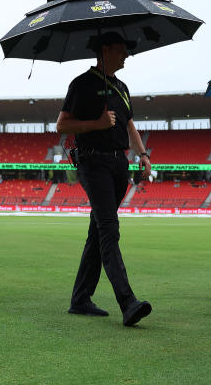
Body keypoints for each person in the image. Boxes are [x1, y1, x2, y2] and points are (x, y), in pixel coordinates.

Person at [56, 32, 153, 327]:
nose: (126, 54)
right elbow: (62, 124)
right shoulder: (81, 84)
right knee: (109, 228)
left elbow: (130, 125)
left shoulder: (122, 87)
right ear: (105, 49)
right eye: (122, 49)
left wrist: (143, 155)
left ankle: (80, 299)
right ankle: (128, 302)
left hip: (118, 164)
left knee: (98, 232)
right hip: (93, 161)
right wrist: (95, 124)